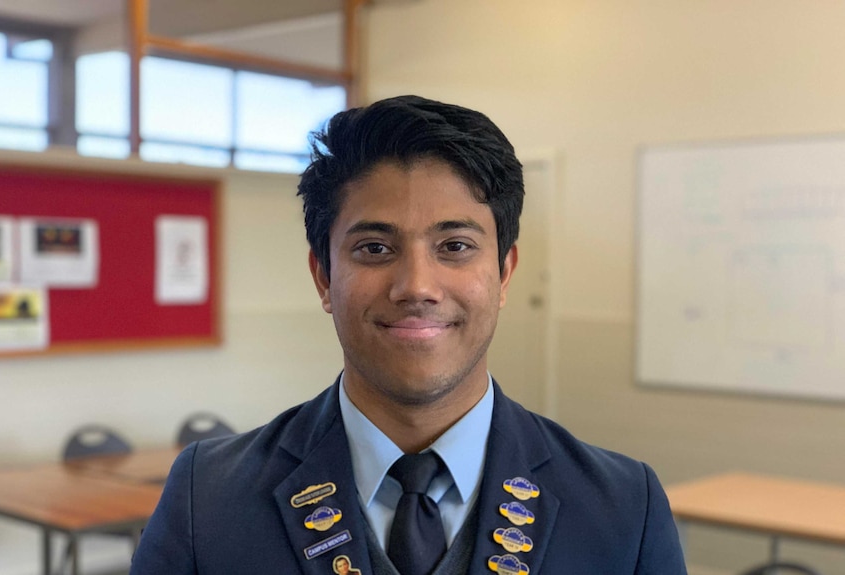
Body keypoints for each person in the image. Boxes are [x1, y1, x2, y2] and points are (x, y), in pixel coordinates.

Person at [130, 95, 687, 574]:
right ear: (324, 276)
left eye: (455, 247)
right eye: (375, 248)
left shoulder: (622, 506)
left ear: (505, 274)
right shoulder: (208, 497)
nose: (416, 286)